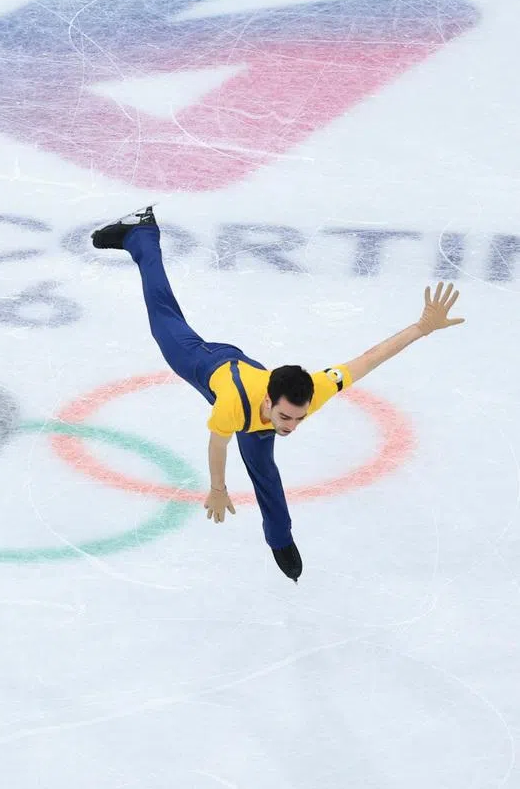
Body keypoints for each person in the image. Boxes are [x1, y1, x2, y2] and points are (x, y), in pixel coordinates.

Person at [91, 207, 465, 581]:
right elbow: (218, 445)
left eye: (299, 418)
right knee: (164, 320)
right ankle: (140, 234)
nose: (292, 427)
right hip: (206, 364)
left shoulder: (310, 392)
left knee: (265, 471)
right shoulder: (232, 408)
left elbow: (368, 360)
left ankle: (280, 539)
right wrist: (218, 489)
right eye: (286, 418)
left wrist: (420, 328)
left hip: (252, 385)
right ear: (270, 402)